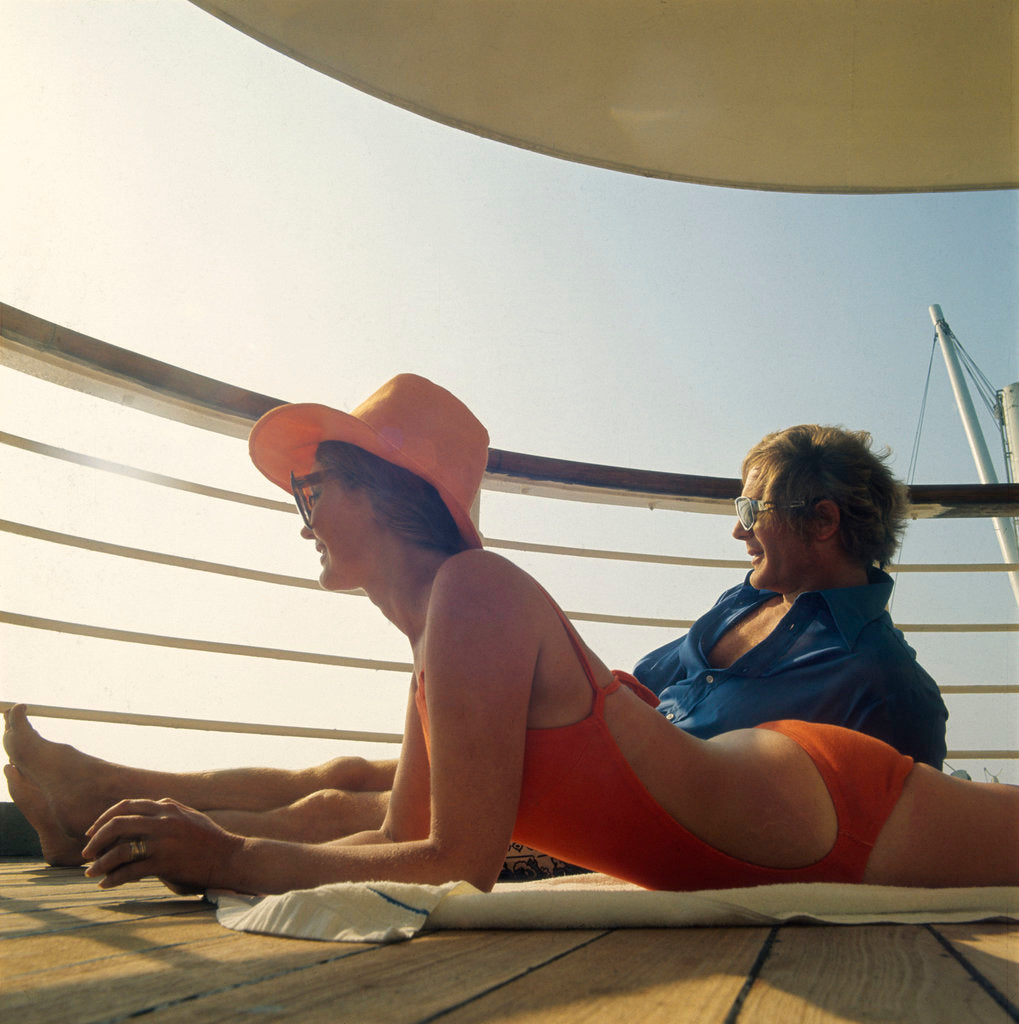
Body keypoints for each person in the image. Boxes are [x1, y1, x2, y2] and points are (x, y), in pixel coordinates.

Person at [4, 374, 1016, 897]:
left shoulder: (477, 595)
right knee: (348, 783)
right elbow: (398, 838)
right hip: (766, 800)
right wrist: (223, 850)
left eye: (313, 489)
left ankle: (90, 800)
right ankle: (93, 804)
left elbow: (456, 862)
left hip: (827, 802)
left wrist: (231, 856)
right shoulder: (447, 628)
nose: (302, 515)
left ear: (382, 492)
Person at [635, 424, 948, 768]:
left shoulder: (890, 687)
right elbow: (643, 685)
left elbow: (891, 801)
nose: (738, 531)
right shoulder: (743, 599)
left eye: (752, 511)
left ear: (822, 520)